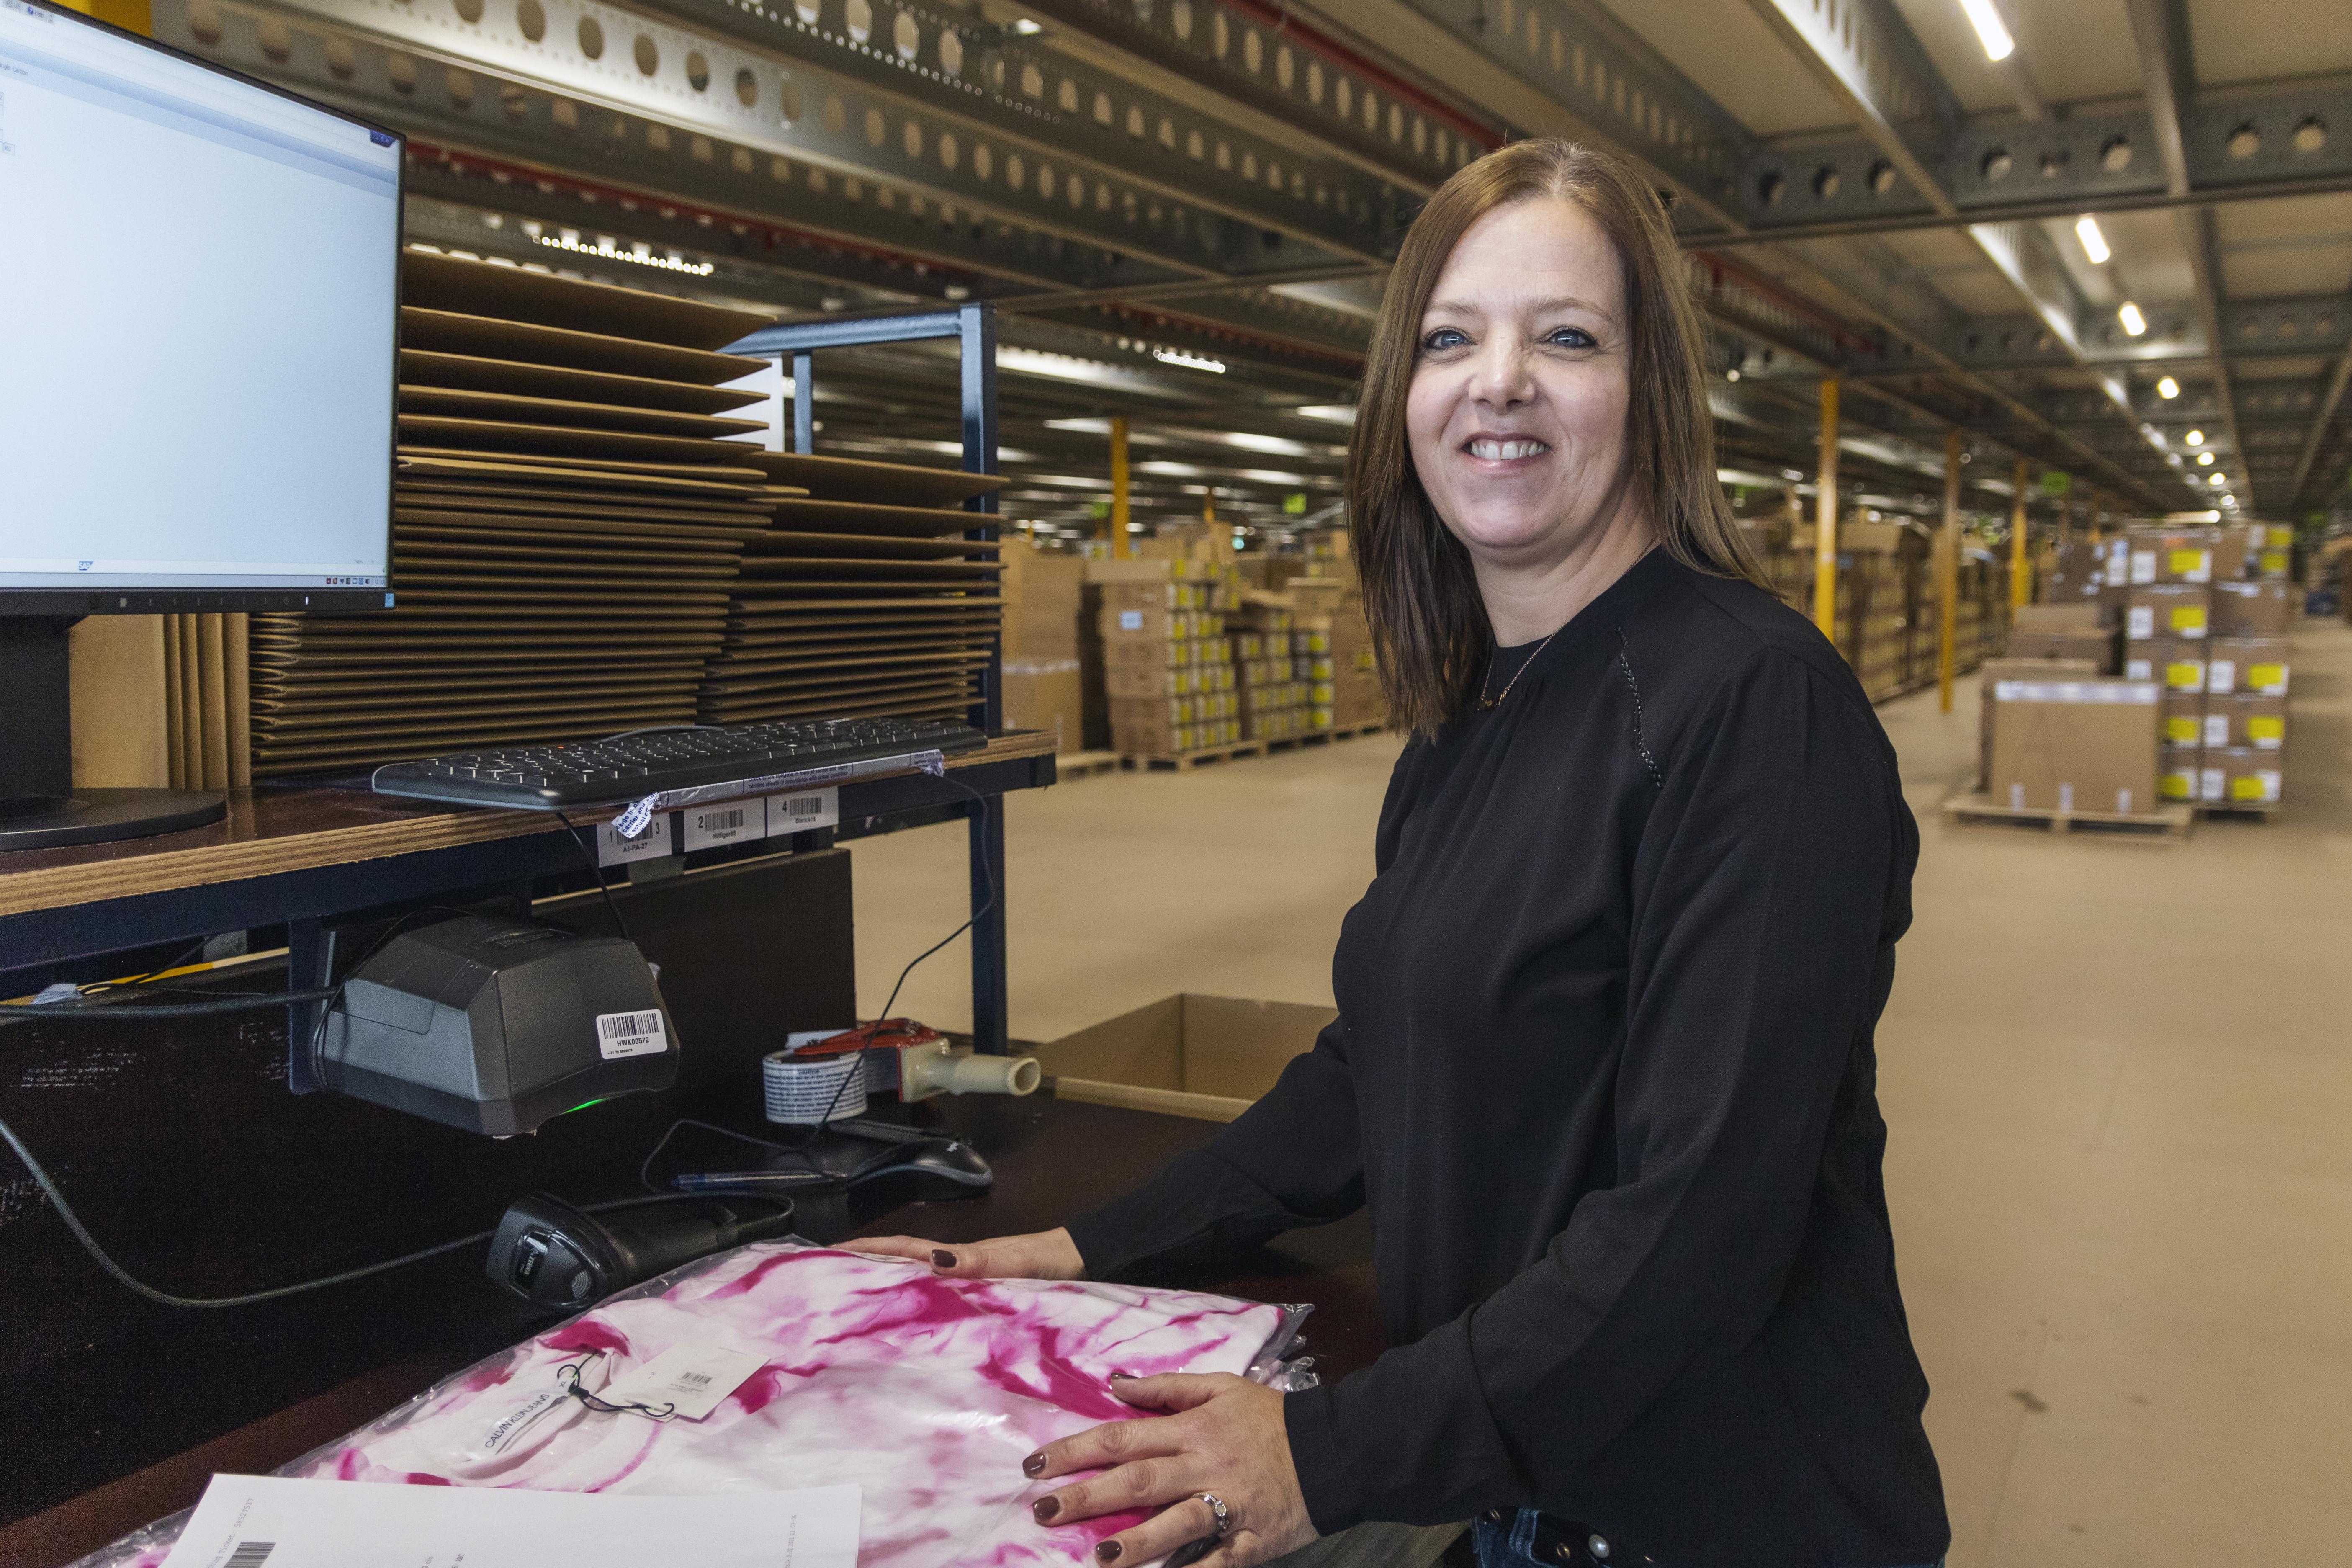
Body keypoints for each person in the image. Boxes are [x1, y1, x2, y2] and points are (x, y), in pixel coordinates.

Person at [858, 138, 1950, 1568]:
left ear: (1648, 395)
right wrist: (1079, 1248)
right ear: (1404, 397)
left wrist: (1325, 1456)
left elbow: (1702, 1227)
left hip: (1718, 1514)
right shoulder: (1470, 715)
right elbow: (1373, 1076)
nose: (1498, 379)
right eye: (1451, 338)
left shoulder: (1753, 705)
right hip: (1525, 1488)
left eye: (1564, 336)